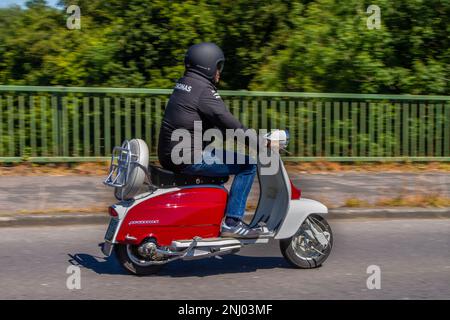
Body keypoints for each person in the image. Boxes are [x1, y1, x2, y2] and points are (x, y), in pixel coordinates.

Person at [158, 42, 261, 238]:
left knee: (228, 161)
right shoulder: (203, 90)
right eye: (218, 67)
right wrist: (259, 143)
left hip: (171, 154)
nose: (219, 73)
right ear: (207, 65)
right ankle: (233, 222)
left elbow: (203, 123)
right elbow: (229, 122)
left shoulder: (185, 84)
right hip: (189, 157)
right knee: (248, 165)